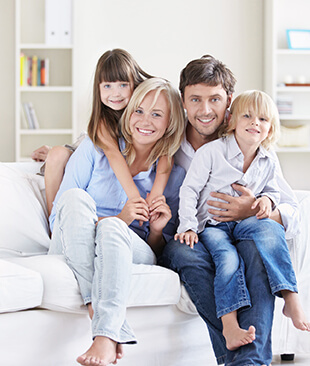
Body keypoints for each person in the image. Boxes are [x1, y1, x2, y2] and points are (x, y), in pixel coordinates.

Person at [158, 55, 300, 366]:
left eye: (215, 100)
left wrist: (254, 210)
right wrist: (70, 150)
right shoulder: (167, 139)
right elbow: (127, 135)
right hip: (186, 237)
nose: (205, 110)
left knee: (254, 251)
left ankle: (248, 361)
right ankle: (244, 355)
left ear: (229, 103)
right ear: (183, 101)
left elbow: (292, 208)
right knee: (189, 255)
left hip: (238, 231)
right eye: (195, 99)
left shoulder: (255, 144)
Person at [48, 77, 186, 366]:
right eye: (139, 110)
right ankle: (103, 321)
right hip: (73, 237)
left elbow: (158, 250)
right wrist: (120, 217)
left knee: (112, 228)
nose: (145, 121)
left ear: (170, 123)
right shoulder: (94, 150)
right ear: (129, 112)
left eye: (157, 114)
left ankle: (104, 331)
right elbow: (61, 214)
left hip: (130, 246)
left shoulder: (173, 176)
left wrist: (158, 229)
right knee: (75, 197)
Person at [32, 49, 172, 217]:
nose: (115, 94)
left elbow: (166, 151)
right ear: (98, 89)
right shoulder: (104, 120)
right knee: (56, 154)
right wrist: (135, 198)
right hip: (88, 148)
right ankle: (53, 224)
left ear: (134, 83)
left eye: (123, 85)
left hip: (104, 150)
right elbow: (113, 155)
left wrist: (156, 193)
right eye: (107, 86)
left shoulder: (147, 99)